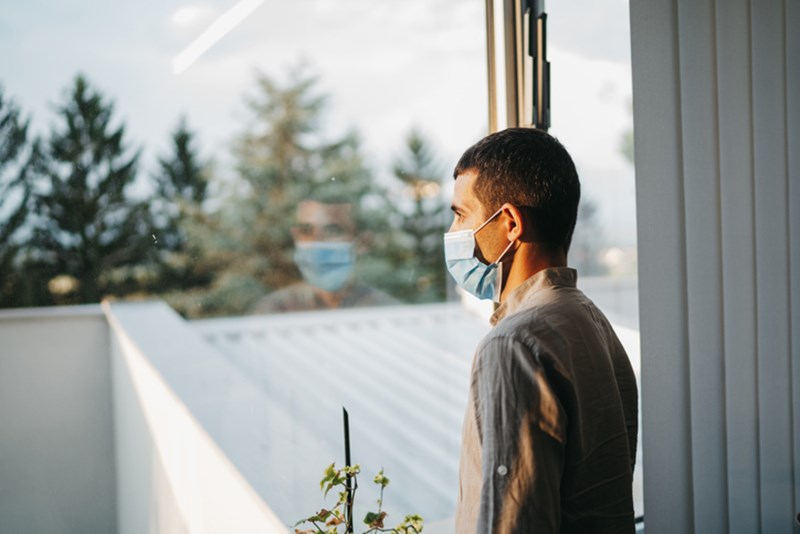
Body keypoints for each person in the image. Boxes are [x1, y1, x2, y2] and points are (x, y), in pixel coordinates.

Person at [447, 128, 638, 533]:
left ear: (511, 223)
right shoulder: (590, 321)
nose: (453, 233)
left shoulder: (513, 344)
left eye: (461, 214)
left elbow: (515, 521)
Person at [250, 199, 397, 313]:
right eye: (306, 230)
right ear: (295, 236)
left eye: (333, 231)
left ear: (363, 243)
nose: (316, 241)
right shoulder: (275, 310)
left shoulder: (384, 311)